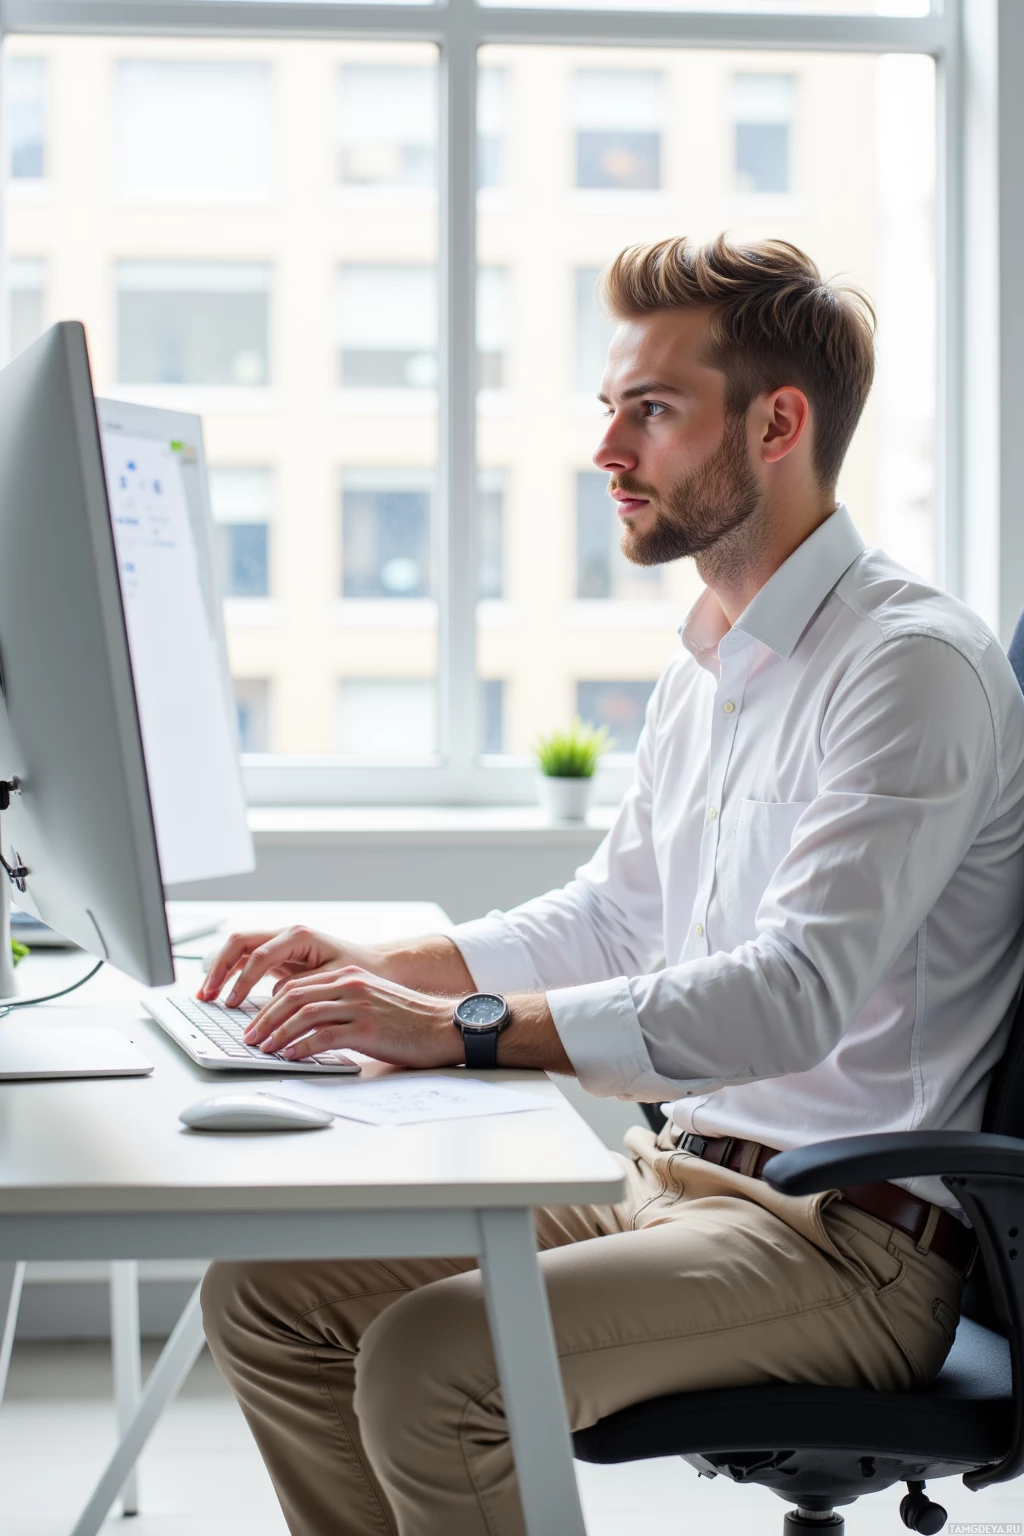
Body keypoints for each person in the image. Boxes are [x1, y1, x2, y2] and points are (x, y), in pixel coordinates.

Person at [198, 234, 1024, 1536]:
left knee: (434, 1362)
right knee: (270, 1292)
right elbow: (612, 918)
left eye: (650, 412)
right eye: (610, 411)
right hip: (671, 1186)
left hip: (843, 1248)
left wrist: (462, 1036)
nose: (608, 453)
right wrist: (367, 968)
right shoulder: (710, 667)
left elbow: (793, 999)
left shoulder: (909, 666)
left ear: (777, 424)